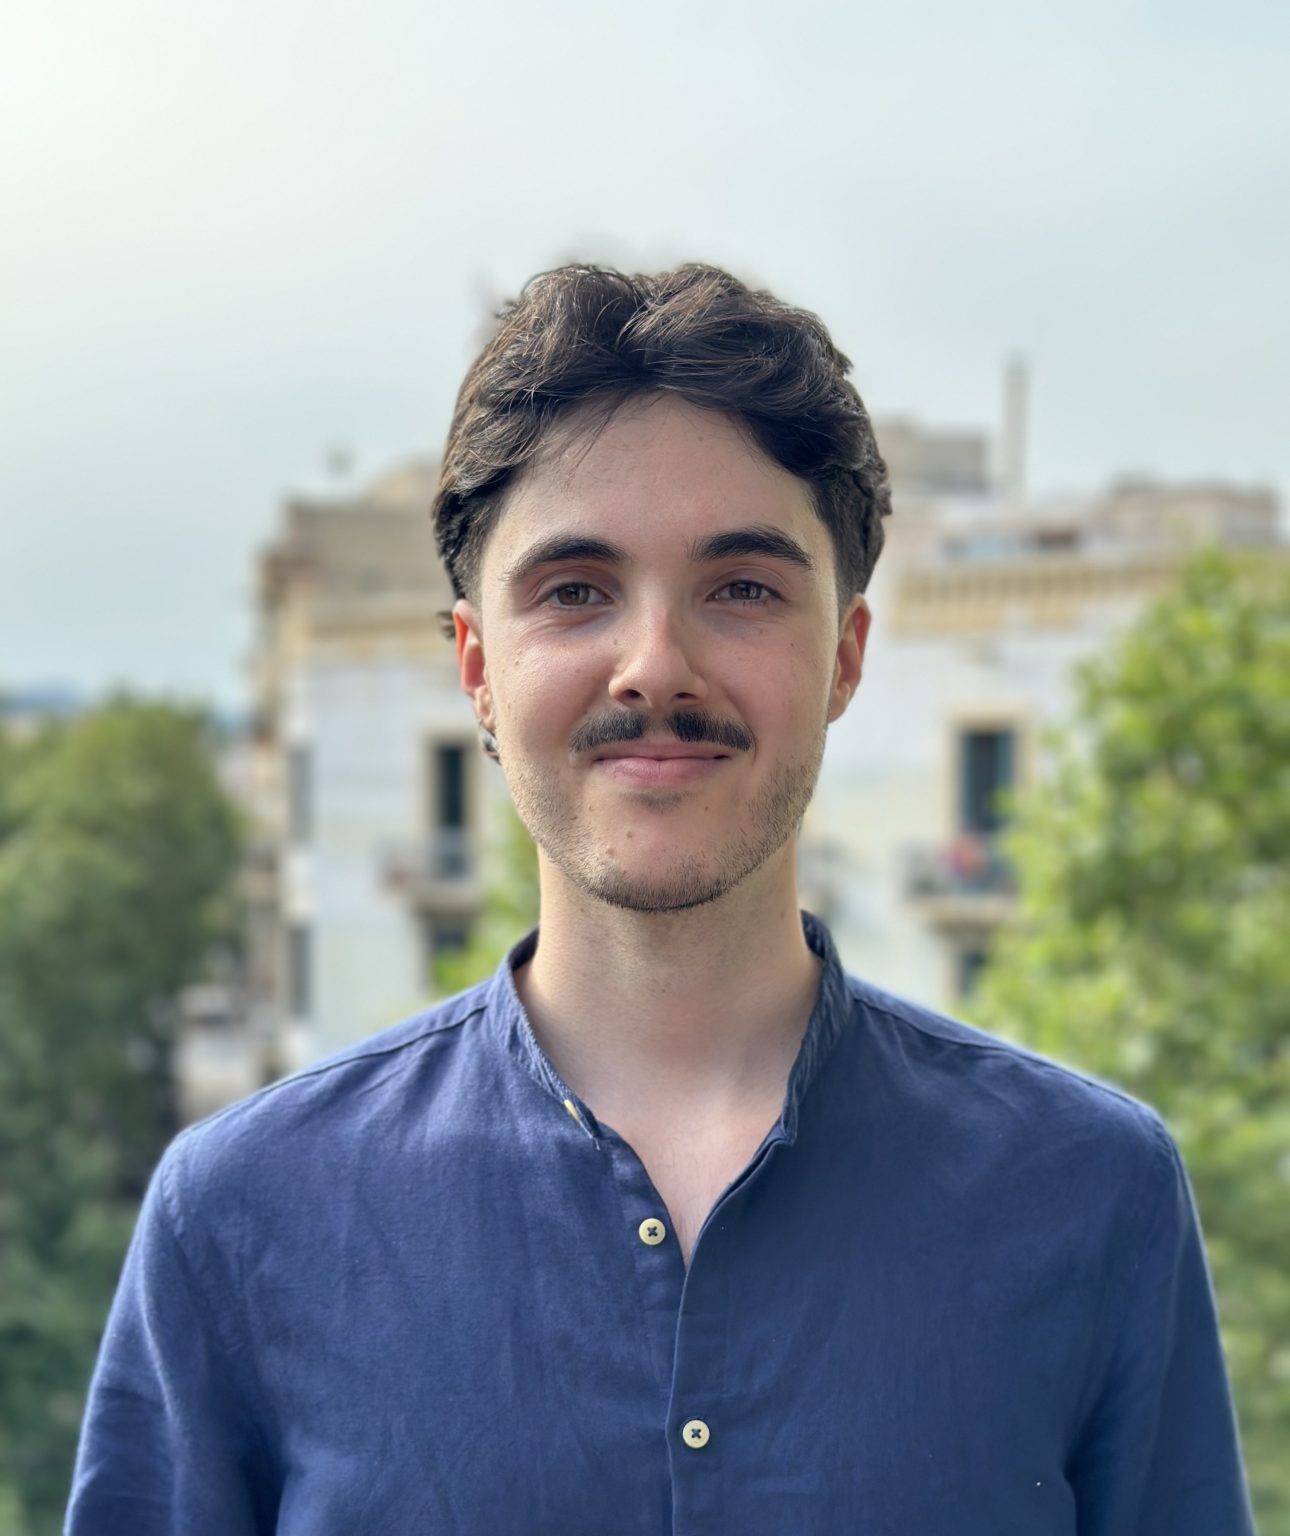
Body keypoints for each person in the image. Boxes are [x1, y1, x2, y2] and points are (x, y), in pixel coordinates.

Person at [67, 264, 1254, 1534]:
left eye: (741, 587)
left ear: (845, 655)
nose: (654, 666)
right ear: (476, 666)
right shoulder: (241, 1218)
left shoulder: (1093, 1194)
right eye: (575, 592)